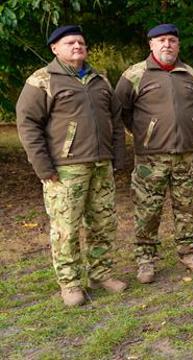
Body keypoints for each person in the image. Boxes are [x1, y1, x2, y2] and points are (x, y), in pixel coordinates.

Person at [16, 25, 127, 306]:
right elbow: (28, 126)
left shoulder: (100, 79)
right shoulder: (42, 80)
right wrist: (43, 167)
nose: (77, 46)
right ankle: (70, 283)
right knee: (66, 228)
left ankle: (101, 274)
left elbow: (114, 120)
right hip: (65, 170)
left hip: (101, 165)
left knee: (103, 223)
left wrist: (118, 156)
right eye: (69, 43)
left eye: (80, 42)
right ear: (55, 48)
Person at [115, 24, 193, 284]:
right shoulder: (135, 74)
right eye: (161, 40)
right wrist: (144, 133)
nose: (167, 45)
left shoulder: (190, 74)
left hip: (186, 156)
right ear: (151, 45)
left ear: (178, 45)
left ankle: (188, 253)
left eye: (172, 40)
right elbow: (120, 110)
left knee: (187, 207)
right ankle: (145, 260)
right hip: (150, 158)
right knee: (148, 210)